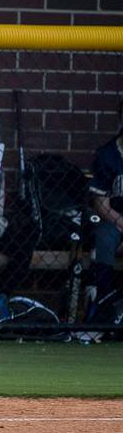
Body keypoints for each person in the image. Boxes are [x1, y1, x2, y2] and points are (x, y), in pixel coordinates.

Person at [88, 97, 123, 300]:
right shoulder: (107, 155)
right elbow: (101, 204)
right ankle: (103, 300)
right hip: (115, 221)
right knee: (105, 236)